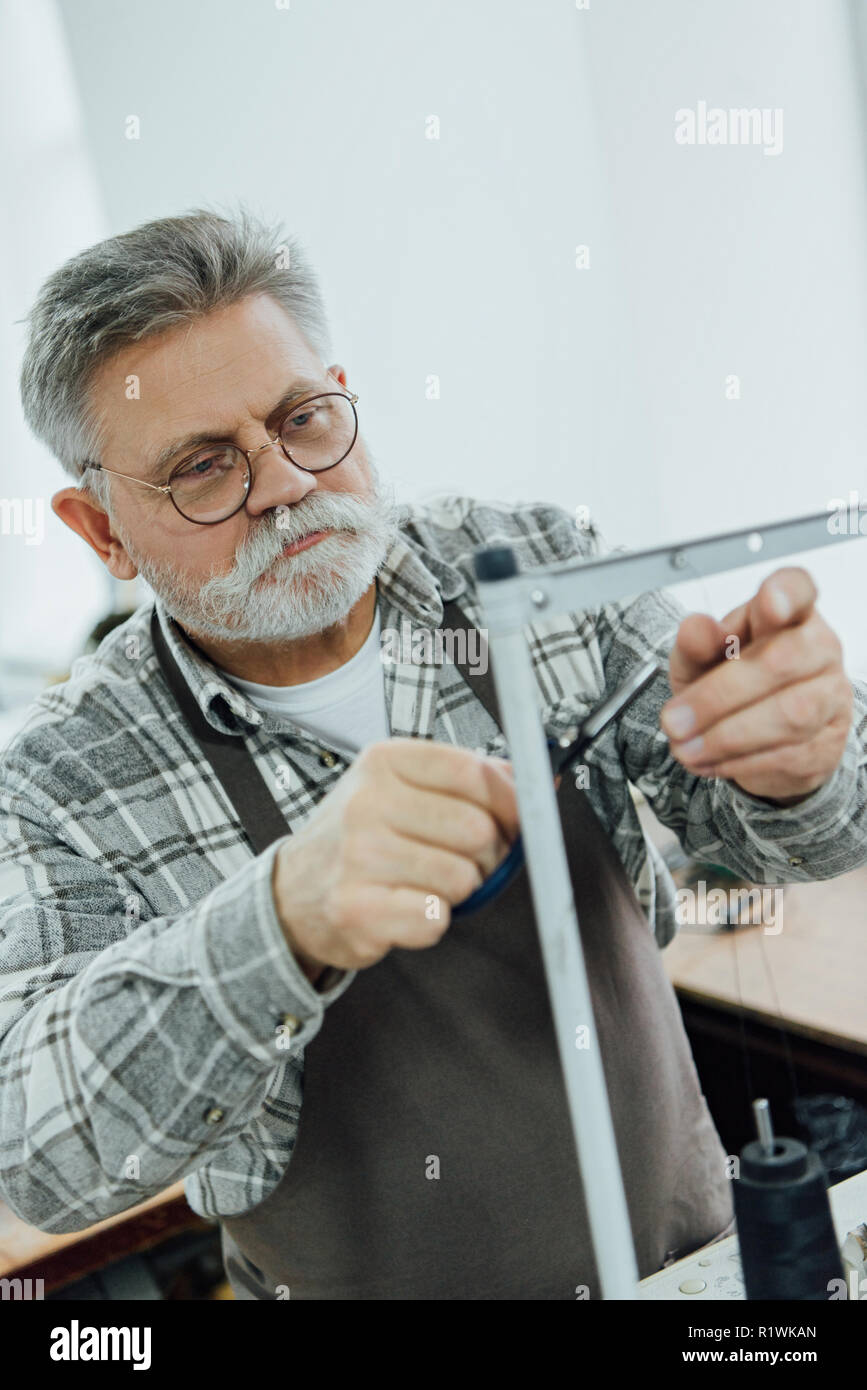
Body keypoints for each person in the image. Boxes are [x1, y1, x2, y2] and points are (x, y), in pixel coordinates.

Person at [1, 208, 864, 1300]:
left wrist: (797, 758)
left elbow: (807, 836)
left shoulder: (528, 571)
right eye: (204, 468)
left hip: (678, 1282)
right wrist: (280, 923)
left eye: (304, 420)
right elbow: (41, 1156)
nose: (283, 484)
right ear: (101, 529)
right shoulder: (62, 787)